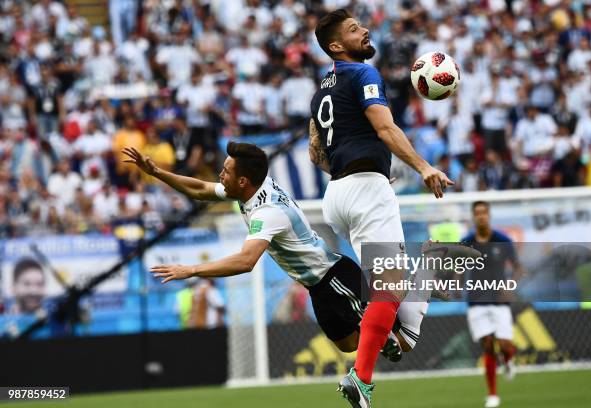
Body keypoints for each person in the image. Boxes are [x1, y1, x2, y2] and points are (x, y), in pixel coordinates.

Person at [123, 142, 399, 355]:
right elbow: (199, 190)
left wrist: (192, 270)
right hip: (316, 285)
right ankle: (383, 331)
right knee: (348, 345)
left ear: (242, 181)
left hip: (334, 277)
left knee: (397, 328)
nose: (221, 174)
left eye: (226, 171)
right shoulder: (251, 186)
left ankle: (424, 279)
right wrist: (156, 172)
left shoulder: (267, 213)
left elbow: (245, 261)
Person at [308, 9, 452, 407]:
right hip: (367, 191)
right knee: (387, 289)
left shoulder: (322, 88)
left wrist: (354, 166)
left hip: (337, 194)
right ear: (337, 45)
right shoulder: (363, 75)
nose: (366, 30)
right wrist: (423, 167)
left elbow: (316, 151)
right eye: (354, 29)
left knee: (402, 332)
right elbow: (386, 128)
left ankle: (416, 287)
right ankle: (362, 379)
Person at [462, 201, 525, 408]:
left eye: (484, 213)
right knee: (488, 345)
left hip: (499, 300)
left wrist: (510, 285)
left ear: (489, 215)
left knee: (505, 345)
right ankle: (493, 395)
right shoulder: (466, 242)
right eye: (477, 213)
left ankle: (508, 359)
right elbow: (458, 269)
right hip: (476, 299)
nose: (481, 216)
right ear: (474, 216)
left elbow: (518, 268)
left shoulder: (503, 240)